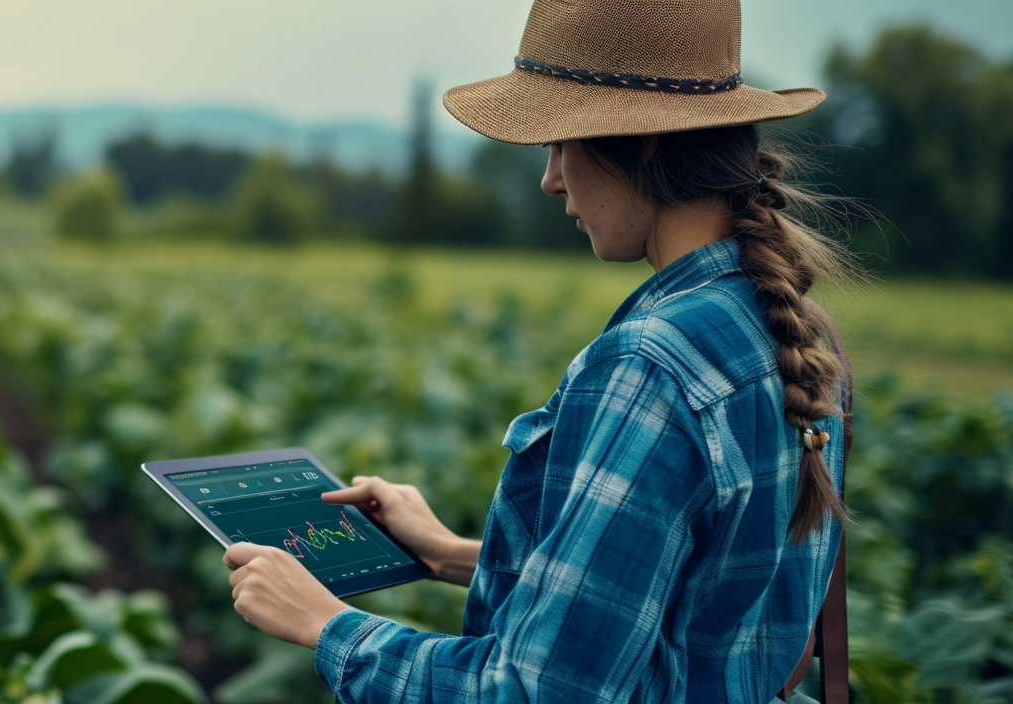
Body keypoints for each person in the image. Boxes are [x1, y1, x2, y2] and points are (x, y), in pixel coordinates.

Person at [221, 1, 859, 702]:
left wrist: (327, 625)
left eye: (561, 143)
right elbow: (686, 603)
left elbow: (534, 692)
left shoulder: (651, 368)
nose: (551, 179)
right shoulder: (794, 329)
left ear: (641, 142)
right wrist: (447, 553)